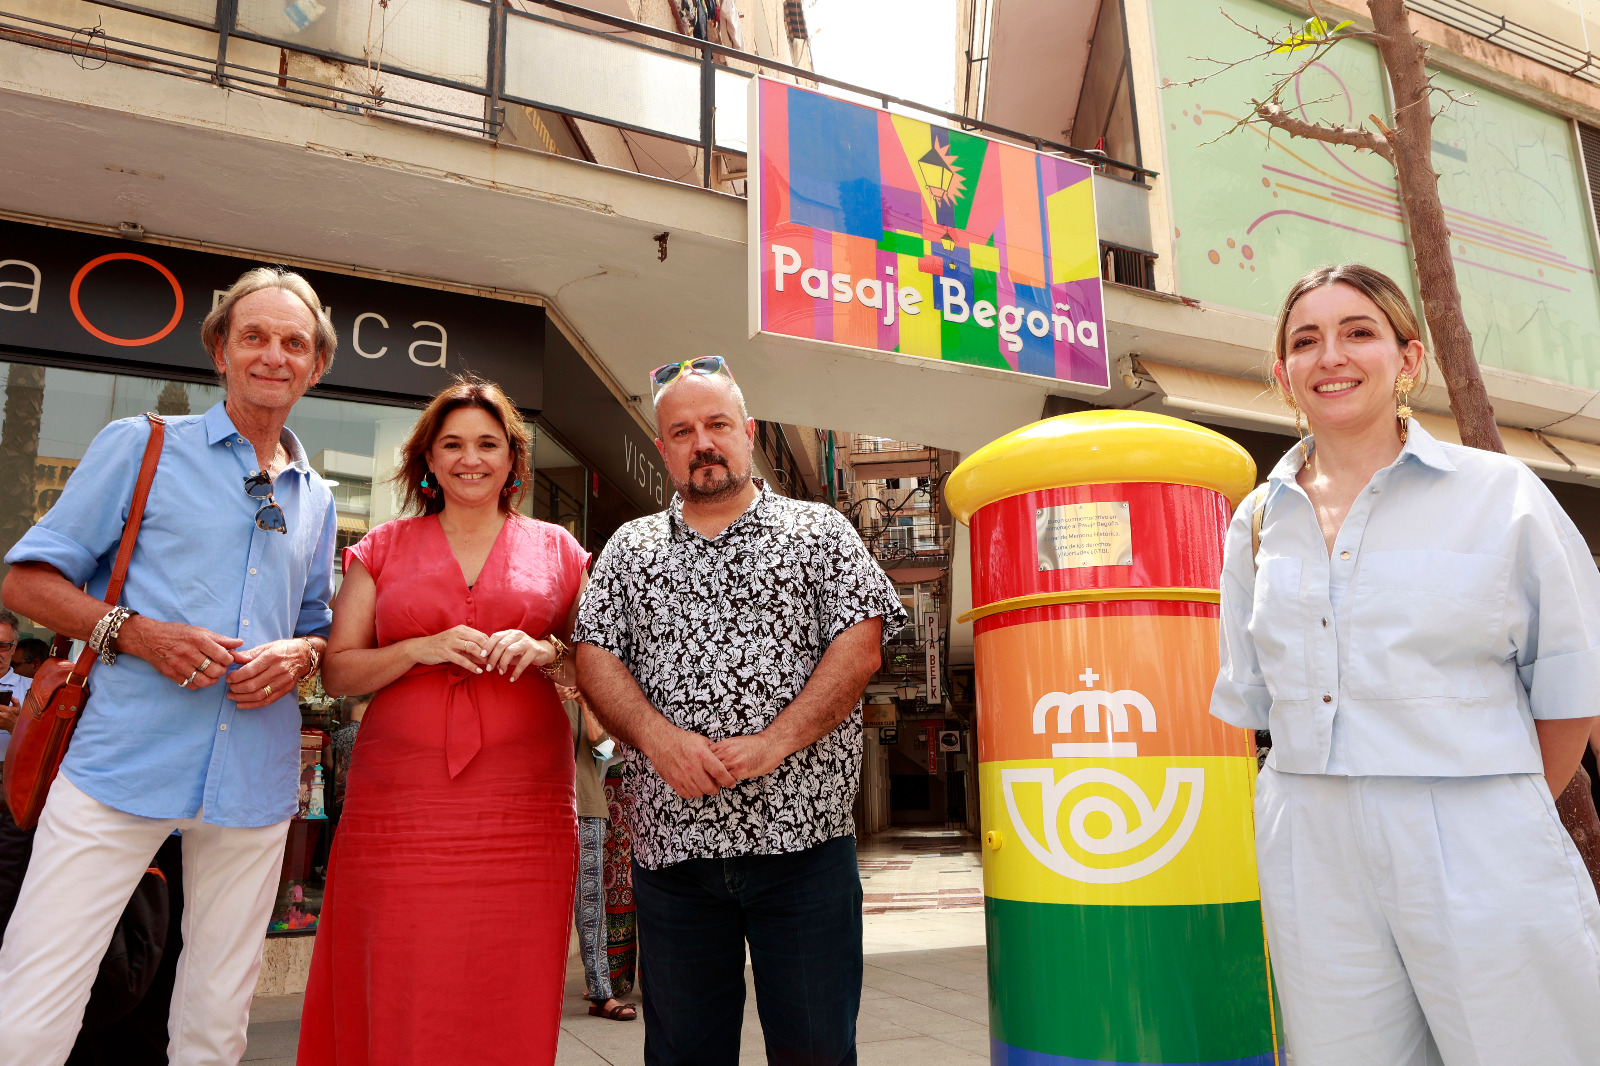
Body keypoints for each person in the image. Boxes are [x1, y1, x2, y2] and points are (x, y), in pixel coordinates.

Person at [1211, 263, 1600, 1065]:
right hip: (1308, 836)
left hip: (1477, 825)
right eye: (1306, 341)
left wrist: (1498, 807)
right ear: (1283, 375)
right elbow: (1255, 700)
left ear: (1408, 359)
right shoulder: (1254, 522)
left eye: (1359, 332)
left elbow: (1573, 683)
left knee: (1528, 1049)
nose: (1333, 356)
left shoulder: (1502, 495)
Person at [0, 265, 339, 1066]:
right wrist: (140, 634)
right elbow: (25, 580)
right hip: (121, 759)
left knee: (219, 1011)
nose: (273, 356)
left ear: (316, 367)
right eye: (253, 336)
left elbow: (316, 627)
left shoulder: (318, 497)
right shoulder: (142, 443)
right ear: (220, 350)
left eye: (294, 343)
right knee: (39, 992)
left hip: (253, 779)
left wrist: (302, 654)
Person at [574, 356, 906, 1066]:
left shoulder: (820, 532)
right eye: (682, 431)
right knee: (683, 1053)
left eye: (717, 424)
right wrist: (657, 741)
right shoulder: (630, 551)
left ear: (747, 432)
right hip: (676, 861)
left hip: (805, 851)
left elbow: (861, 647)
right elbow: (594, 657)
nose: (702, 443)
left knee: (816, 1050)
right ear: (662, 448)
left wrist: (775, 742)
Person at [297, 377, 590, 1066]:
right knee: (398, 963)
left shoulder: (561, 551)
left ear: (514, 460)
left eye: (488, 444)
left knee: (510, 966)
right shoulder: (382, 548)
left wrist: (551, 650)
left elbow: (597, 666)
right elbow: (337, 673)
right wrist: (417, 648)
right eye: (452, 443)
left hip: (523, 804)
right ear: (427, 458)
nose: (471, 458)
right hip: (401, 803)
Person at [558, 683, 635, 1022]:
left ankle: (601, 994)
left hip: (586, 808)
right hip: (534, 814)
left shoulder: (579, 699)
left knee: (592, 910)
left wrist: (585, 704)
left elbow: (606, 754)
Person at [0, 609, 35, 763]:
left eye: (2, 645)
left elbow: (46, 747)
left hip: (9, 779)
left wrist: (15, 726)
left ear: (14, 647)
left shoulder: (35, 690)